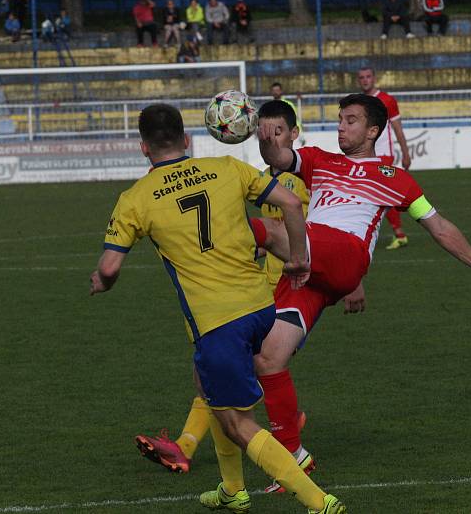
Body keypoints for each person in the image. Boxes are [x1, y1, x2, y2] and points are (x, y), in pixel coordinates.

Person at [91, 103, 348, 514]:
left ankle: (319, 502)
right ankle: (232, 490)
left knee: (239, 424)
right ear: (188, 139)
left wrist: (101, 282)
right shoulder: (228, 167)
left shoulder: (135, 199)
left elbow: (109, 267)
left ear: (143, 148)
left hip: (217, 320)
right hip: (261, 306)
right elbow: (293, 205)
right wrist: (298, 258)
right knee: (205, 385)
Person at [251, 94, 471, 490]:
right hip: (312, 264)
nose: (341, 126)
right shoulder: (321, 159)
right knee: (268, 358)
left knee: (265, 230)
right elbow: (280, 157)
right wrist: (266, 135)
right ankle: (293, 457)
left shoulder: (396, 179)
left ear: (373, 130)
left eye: (351, 120)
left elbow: (439, 227)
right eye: (339, 119)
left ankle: (200, 243)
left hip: (343, 254)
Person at [357, 66, 412, 249]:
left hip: (383, 155)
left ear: (374, 78)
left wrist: (405, 152)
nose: (365, 80)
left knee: (380, 195)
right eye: (362, 77)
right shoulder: (359, 102)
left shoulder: (387, 100)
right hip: (366, 155)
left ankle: (399, 233)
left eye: (368, 76)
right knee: (376, 195)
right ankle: (396, 233)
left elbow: (397, 129)